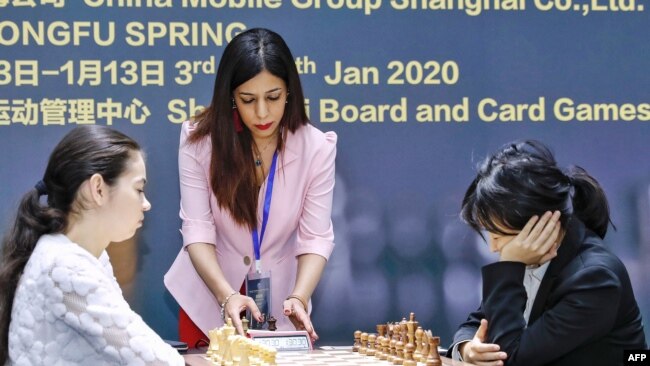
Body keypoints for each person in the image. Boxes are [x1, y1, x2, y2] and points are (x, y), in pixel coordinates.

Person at [164, 28, 336, 347]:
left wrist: (299, 296)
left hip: (281, 309)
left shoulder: (316, 148)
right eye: (248, 99)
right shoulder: (199, 142)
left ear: (289, 93)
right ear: (231, 95)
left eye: (272, 97)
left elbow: (315, 237)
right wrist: (226, 294)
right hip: (210, 301)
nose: (261, 113)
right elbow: (197, 230)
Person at [450, 140, 646, 366]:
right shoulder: (531, 257)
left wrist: (510, 265)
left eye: (500, 235)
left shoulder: (595, 278)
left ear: (539, 225)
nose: (494, 248)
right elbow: (476, 323)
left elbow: (511, 359)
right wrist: (467, 349)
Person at [0, 126, 185, 365]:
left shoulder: (79, 256)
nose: (146, 204)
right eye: (138, 190)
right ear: (97, 189)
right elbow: (157, 361)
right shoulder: (66, 269)